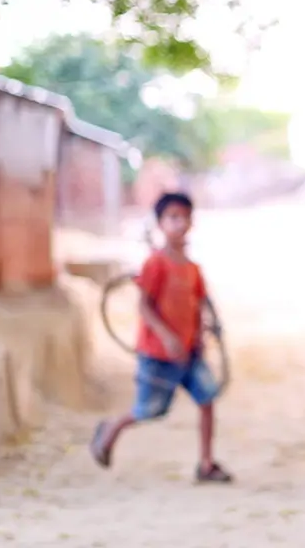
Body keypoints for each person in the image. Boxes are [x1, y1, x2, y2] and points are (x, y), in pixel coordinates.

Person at [89, 191, 233, 483]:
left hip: (189, 353)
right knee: (150, 410)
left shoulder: (192, 269)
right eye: (173, 218)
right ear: (160, 223)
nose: (179, 224)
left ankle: (206, 463)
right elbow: (144, 305)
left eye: (185, 218)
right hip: (158, 355)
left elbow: (198, 304)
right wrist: (166, 336)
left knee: (207, 400)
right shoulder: (155, 264)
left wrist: (201, 336)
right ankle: (112, 428)